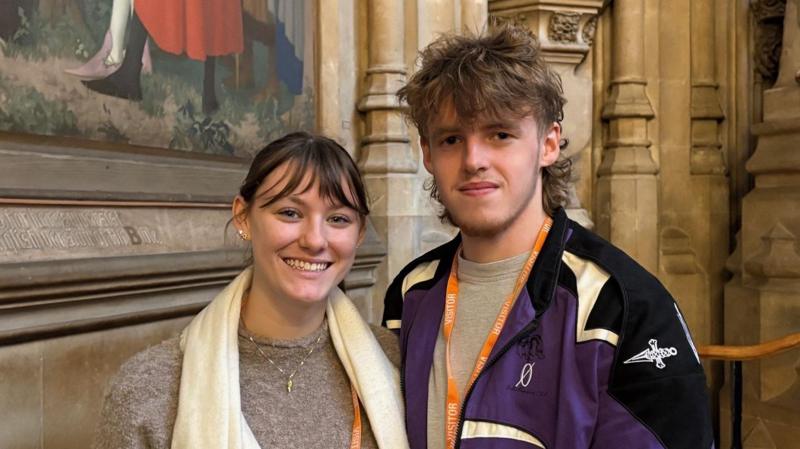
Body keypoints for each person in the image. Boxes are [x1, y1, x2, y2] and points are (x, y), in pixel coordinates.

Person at [382, 24, 715, 449]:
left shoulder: (620, 305)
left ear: (548, 143)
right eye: (451, 139)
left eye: (500, 134)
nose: (473, 160)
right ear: (428, 154)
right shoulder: (412, 293)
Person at [94, 132, 409, 449]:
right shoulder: (150, 389)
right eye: (290, 213)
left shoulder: (396, 361)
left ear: (359, 235)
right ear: (243, 216)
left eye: (338, 219)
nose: (315, 240)